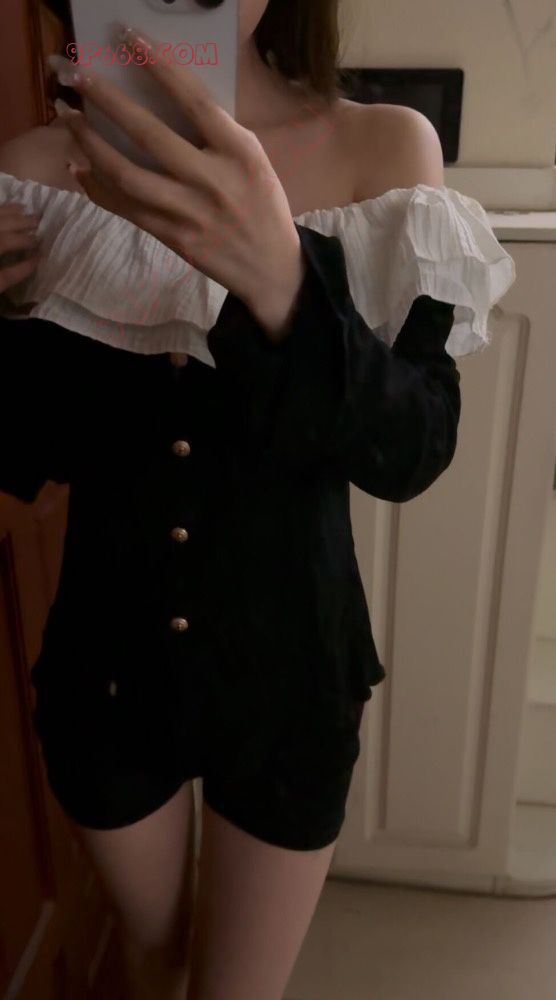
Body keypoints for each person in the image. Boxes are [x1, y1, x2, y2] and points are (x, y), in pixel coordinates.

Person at [0, 2, 516, 999]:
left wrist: (283, 280)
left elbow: (413, 448)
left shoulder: (382, 149)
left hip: (292, 681)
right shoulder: (30, 172)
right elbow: (32, 456)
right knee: (152, 964)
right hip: (107, 679)